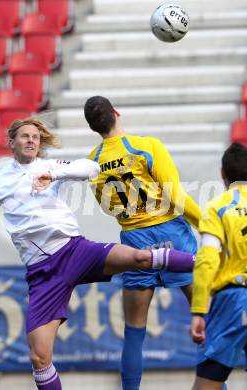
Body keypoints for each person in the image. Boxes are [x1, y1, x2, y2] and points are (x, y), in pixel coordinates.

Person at [0, 117, 195, 390]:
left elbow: (90, 167)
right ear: (11, 142)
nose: (31, 141)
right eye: (25, 136)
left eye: (36, 137)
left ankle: (204, 262)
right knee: (39, 358)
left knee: (140, 258)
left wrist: (54, 174)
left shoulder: (50, 167)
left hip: (75, 251)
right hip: (43, 273)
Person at [84, 96, 201, 390]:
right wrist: (206, 224)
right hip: (173, 235)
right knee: (205, 319)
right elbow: (176, 198)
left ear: (92, 127)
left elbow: (108, 208)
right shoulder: (147, 147)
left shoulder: (93, 163)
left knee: (134, 331)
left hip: (135, 243)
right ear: (116, 113)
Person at [190, 143, 247, 390]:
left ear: (222, 174)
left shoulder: (218, 207)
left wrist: (198, 310)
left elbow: (208, 259)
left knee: (208, 381)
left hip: (234, 300)